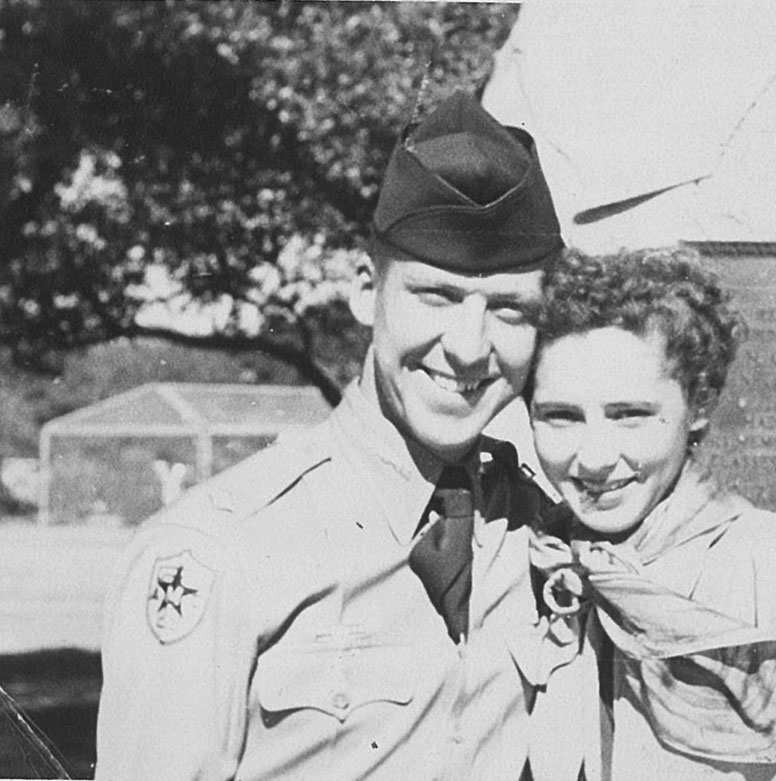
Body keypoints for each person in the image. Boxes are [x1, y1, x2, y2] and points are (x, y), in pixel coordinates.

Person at [95, 91, 579, 781]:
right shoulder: (216, 551)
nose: (470, 348)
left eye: (509, 308)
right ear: (363, 289)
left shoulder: (538, 525)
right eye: (435, 296)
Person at [526, 247, 776, 780]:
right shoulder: (532, 564)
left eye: (630, 416)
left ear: (700, 405)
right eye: (561, 417)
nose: (595, 458)